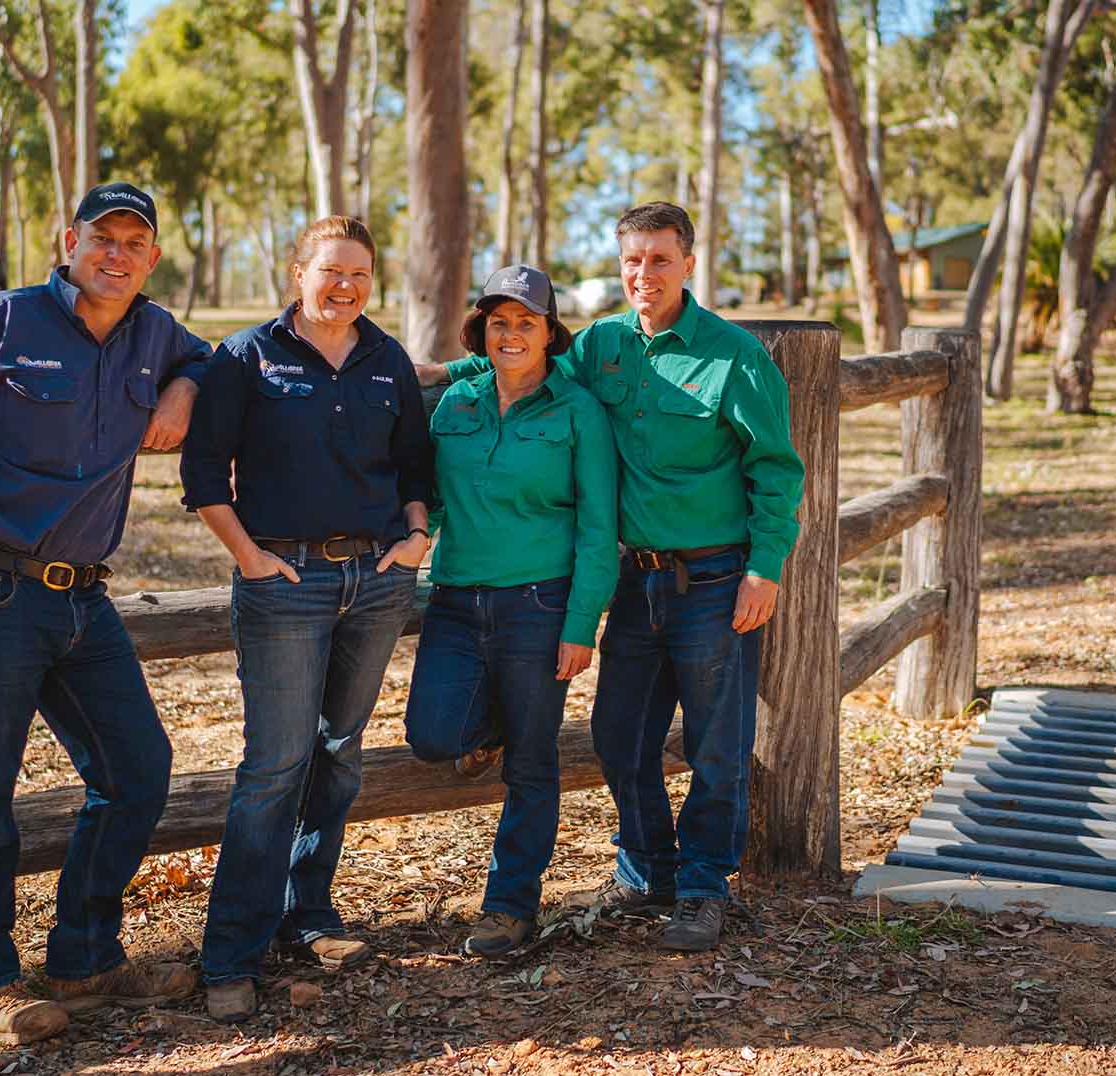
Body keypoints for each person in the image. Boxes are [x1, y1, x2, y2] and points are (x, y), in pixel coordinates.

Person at [419, 203, 805, 952]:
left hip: (716, 577)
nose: (644, 274)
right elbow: (523, 357)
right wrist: (449, 370)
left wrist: (765, 568)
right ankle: (646, 870)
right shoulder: (602, 344)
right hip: (635, 577)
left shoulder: (733, 356)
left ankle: (702, 885)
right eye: (632, 259)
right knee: (619, 735)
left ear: (688, 264)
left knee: (716, 745)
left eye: (659, 259)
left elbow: (776, 473)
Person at [0, 182, 212, 1043]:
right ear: (70, 240)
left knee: (138, 770)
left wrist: (185, 389)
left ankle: (85, 957)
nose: (118, 255)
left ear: (152, 259)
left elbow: (217, 360)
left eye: (136, 243)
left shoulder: (156, 333)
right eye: (104, 237)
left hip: (83, 600)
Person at [180, 215, 434, 1021]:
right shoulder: (245, 358)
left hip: (377, 578)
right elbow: (202, 476)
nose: (346, 286)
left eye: (360, 273)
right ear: (298, 274)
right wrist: (250, 558)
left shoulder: (386, 359)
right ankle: (231, 953)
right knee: (274, 766)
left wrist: (418, 535)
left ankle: (308, 912)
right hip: (284, 580)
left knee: (341, 751)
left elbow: (414, 464)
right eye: (332, 271)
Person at [402, 265, 618, 958]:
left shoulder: (577, 409)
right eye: (499, 323)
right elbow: (430, 497)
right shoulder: (455, 405)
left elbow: (597, 525)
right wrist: (408, 536)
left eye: (527, 322)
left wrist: (581, 625)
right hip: (457, 600)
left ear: (550, 333)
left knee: (532, 762)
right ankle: (489, 719)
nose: (512, 334)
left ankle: (508, 905)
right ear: (482, 332)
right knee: (433, 735)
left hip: (539, 603)